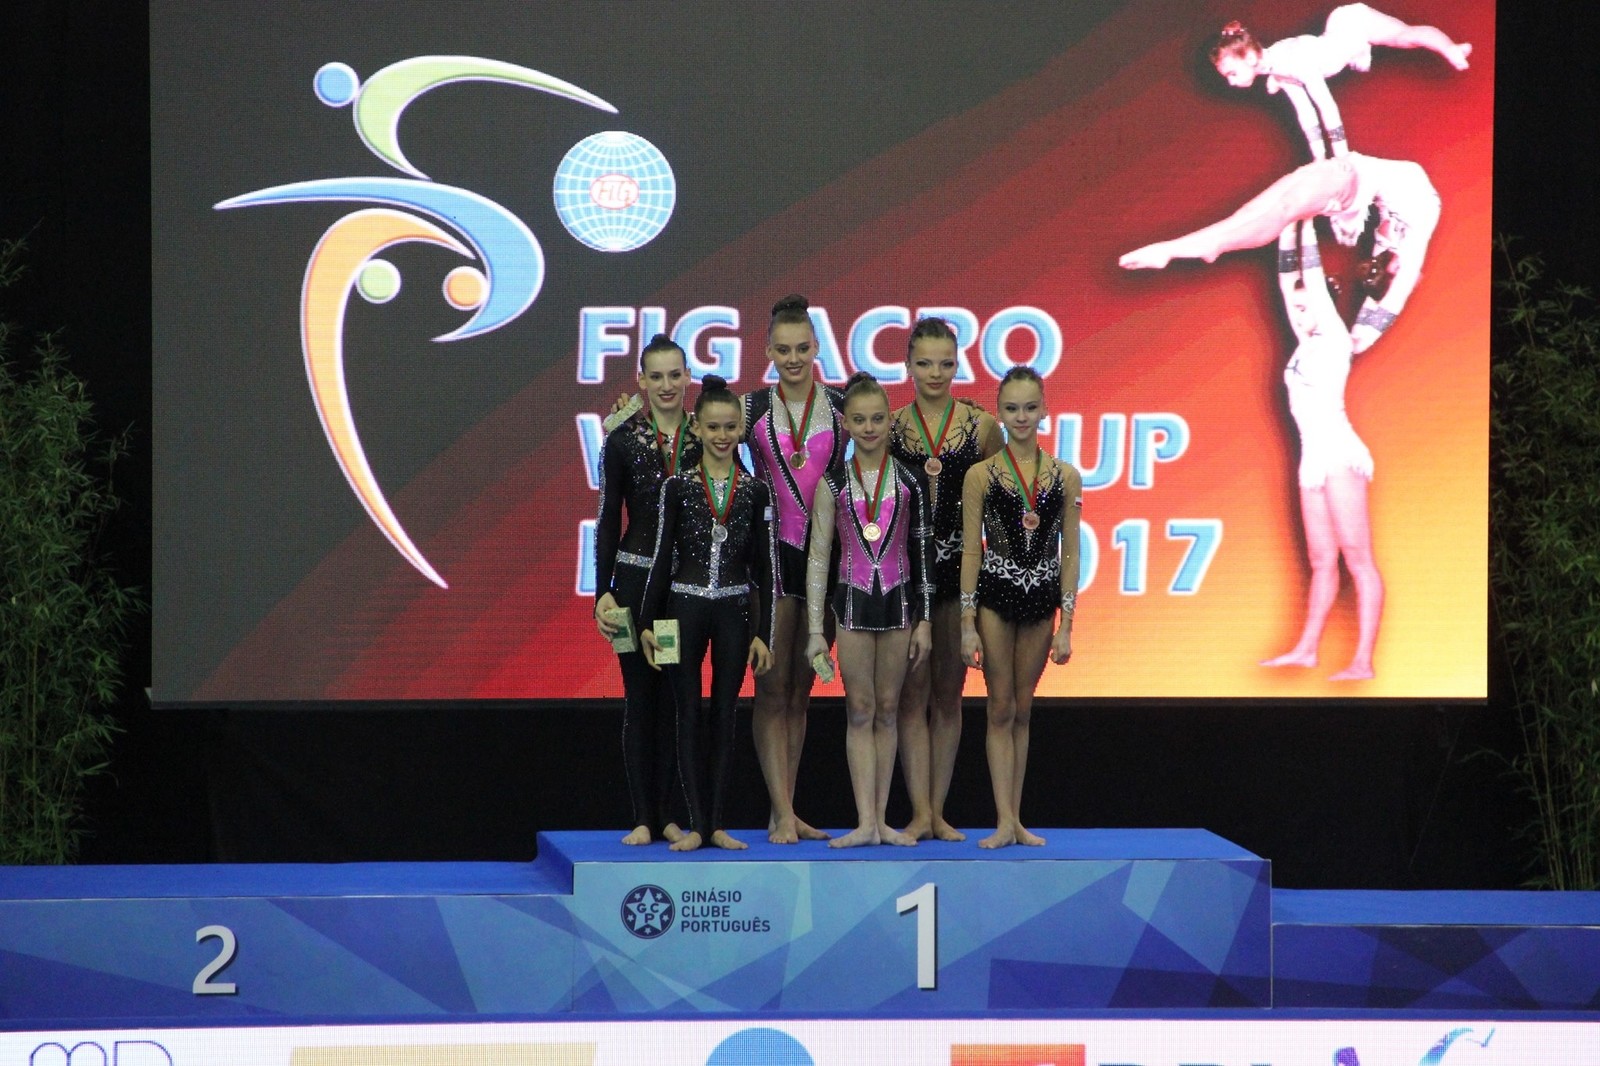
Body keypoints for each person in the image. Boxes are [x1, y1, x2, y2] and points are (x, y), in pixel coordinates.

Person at [638, 375, 776, 851]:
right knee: (687, 715)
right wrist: (647, 624)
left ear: (741, 429)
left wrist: (765, 633)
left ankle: (715, 824)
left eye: (730, 427)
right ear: (696, 427)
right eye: (713, 426)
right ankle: (697, 824)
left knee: (724, 716)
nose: (722, 435)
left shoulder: (756, 491)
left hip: (734, 610)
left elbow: (766, 569)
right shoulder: (676, 487)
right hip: (683, 609)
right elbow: (660, 559)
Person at [1117, 151, 1439, 353]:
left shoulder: (1391, 247)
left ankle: (1193, 247)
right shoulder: (1413, 243)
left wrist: (1355, 340)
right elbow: (1392, 299)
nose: (1389, 267)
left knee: (1278, 213)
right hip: (1343, 177)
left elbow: (1383, 296)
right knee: (1252, 214)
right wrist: (1361, 338)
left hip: (1343, 182)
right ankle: (1201, 246)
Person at [804, 372, 933, 847]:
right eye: (859, 420)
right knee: (860, 709)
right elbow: (819, 556)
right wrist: (815, 631)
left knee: (889, 709)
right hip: (852, 603)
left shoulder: (910, 481)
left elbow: (923, 550)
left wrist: (926, 620)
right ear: (846, 423)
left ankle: (882, 821)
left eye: (878, 419)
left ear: (889, 420)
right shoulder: (833, 483)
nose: (869, 428)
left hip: (899, 604)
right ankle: (864, 822)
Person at [888, 318, 1004, 842]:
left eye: (945, 363)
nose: (935, 373)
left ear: (958, 365)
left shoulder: (981, 428)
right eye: (924, 363)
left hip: (960, 576)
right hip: (909, 576)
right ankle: (919, 812)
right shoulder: (891, 427)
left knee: (949, 695)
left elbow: (1001, 503)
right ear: (907, 365)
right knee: (912, 697)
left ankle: (938, 811)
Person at [959, 366, 1081, 849]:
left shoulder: (1065, 476)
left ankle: (1017, 820)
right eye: (1012, 408)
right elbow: (972, 551)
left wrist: (1067, 624)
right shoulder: (981, 475)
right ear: (1000, 413)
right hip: (995, 593)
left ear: (1045, 409)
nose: (1022, 416)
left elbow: (1070, 554)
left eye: (1030, 407)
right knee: (1000, 704)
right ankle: (1003, 819)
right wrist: (967, 622)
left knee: (1023, 708)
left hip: (1041, 597)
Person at [743, 295, 848, 844]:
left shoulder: (842, 407)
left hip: (825, 561)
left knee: (802, 688)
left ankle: (785, 808)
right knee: (771, 687)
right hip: (772, 560)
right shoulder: (751, 409)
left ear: (816, 347)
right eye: (782, 350)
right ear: (767, 350)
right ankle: (781, 811)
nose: (793, 359)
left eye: (802, 348)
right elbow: (693, 437)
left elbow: (890, 438)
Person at [1261, 220, 1382, 680]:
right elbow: (1287, 279)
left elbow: (1309, 274)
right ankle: (1307, 649)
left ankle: (1362, 660)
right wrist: (1285, 225)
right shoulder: (1303, 344)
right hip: (1312, 458)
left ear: (1323, 304)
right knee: (1321, 560)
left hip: (1337, 452)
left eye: (1304, 304)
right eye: (1294, 307)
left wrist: (1307, 219)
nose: (1297, 311)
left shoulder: (1333, 336)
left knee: (1358, 558)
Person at [593, 334, 700, 845]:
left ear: (688, 377)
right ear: (640, 381)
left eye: (674, 375)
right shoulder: (621, 439)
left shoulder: (705, 436)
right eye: (655, 376)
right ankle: (641, 817)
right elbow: (608, 520)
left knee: (675, 699)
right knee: (639, 698)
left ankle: (669, 814)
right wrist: (603, 592)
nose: (666, 385)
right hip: (633, 588)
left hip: (683, 589)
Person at [1210, 7, 1471, 161]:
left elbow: (1326, 106)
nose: (1231, 82)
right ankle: (1362, 51)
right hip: (1340, 42)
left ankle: (1450, 47)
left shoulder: (1292, 62)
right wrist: (1319, 158)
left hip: (1352, 24)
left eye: (1232, 73)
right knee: (1279, 84)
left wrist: (1341, 155)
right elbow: (1305, 113)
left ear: (1251, 57)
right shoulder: (1278, 68)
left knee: (1406, 36)